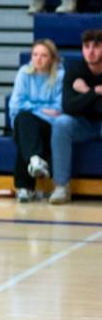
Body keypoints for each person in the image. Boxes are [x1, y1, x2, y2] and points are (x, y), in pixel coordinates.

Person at [48, 29, 102, 205]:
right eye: (86, 47)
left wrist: (84, 92)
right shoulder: (74, 70)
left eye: (96, 46)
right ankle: (61, 187)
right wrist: (93, 92)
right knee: (61, 123)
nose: (91, 51)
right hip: (83, 124)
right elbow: (68, 106)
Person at [8, 40, 64, 203]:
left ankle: (25, 187)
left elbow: (59, 108)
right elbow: (15, 105)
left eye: (44, 55)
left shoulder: (60, 76)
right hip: (25, 122)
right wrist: (41, 109)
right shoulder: (24, 73)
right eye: (35, 55)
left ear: (52, 59)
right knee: (24, 120)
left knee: (26, 129)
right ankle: (35, 161)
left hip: (48, 126)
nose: (38, 59)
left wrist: (32, 108)